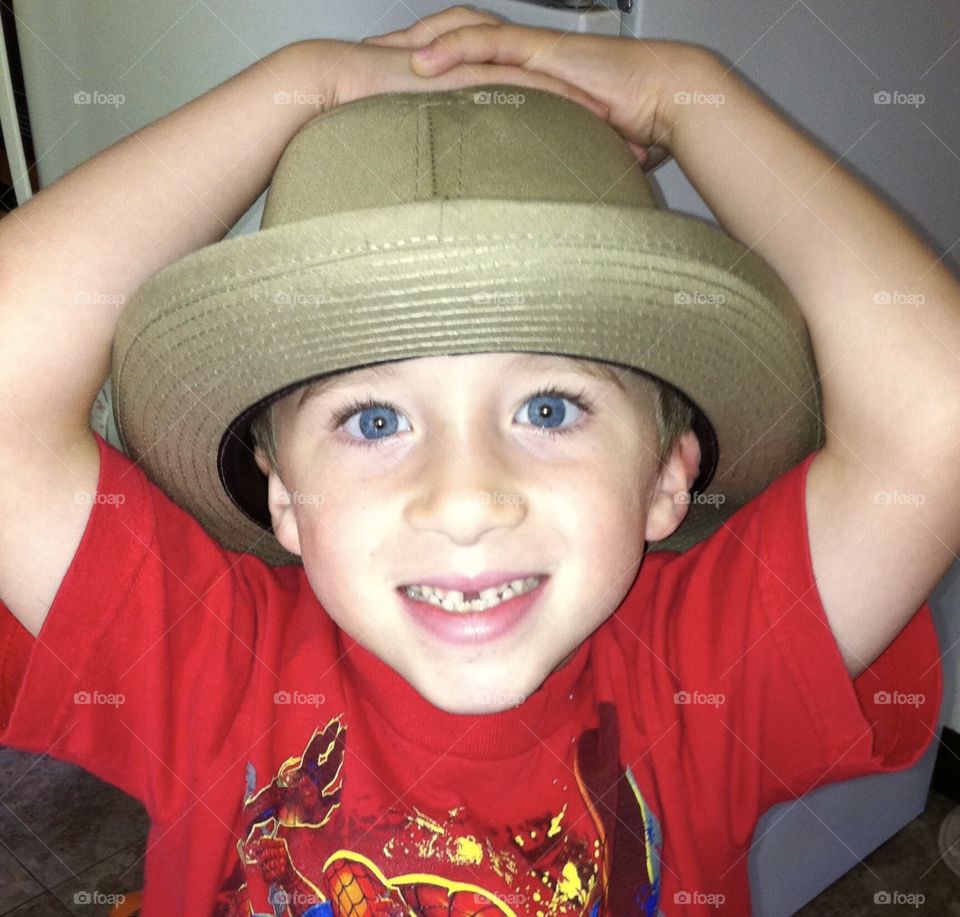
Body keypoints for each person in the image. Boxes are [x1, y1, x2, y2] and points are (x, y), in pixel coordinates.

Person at [1, 6, 957, 915]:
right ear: (284, 493)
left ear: (669, 472)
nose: (464, 501)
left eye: (548, 407)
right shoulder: (213, 670)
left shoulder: (700, 684)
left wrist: (686, 92)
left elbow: (936, 414)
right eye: (374, 420)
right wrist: (305, 82)